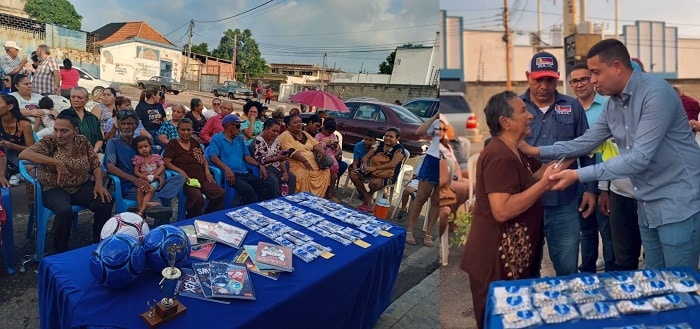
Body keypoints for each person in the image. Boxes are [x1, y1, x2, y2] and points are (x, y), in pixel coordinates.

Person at [520, 38, 700, 269]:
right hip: (647, 205)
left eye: (595, 72)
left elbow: (639, 158)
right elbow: (586, 141)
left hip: (677, 204)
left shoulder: (655, 94)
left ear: (616, 67)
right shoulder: (614, 104)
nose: (592, 80)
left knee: (679, 283)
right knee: (655, 281)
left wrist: (577, 175)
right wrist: (536, 150)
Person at [461, 91, 558, 329]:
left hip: (513, 258)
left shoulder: (517, 150)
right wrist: (544, 186)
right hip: (495, 261)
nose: (530, 116)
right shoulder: (499, 156)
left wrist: (574, 153)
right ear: (505, 122)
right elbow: (501, 210)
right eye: (523, 112)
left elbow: (539, 173)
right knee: (497, 321)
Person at [520, 51, 596, 276]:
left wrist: (591, 190)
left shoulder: (573, 107)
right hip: (526, 202)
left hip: (564, 203)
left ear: (558, 78)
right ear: (528, 76)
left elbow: (587, 148)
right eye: (538, 79)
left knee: (567, 269)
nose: (544, 85)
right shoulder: (516, 108)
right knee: (526, 269)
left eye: (550, 80)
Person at [18, 110, 113, 252]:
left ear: (75, 130)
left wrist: (99, 184)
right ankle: (60, 250)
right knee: (64, 210)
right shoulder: (50, 141)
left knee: (105, 201)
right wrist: (57, 162)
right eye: (56, 130)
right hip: (53, 187)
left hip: (79, 186)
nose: (58, 134)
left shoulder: (82, 141)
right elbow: (24, 154)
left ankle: (99, 242)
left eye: (64, 131)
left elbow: (95, 165)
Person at [568, 63, 615, 273]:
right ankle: (587, 274)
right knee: (586, 231)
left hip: (607, 178)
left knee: (608, 230)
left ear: (592, 80)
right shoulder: (568, 109)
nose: (580, 84)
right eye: (575, 81)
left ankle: (613, 273)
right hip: (578, 177)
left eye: (584, 79)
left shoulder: (608, 105)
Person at [105, 109, 185, 224]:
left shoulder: (141, 143)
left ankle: (153, 202)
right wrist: (135, 179)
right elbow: (110, 167)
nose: (126, 127)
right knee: (164, 201)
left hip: (152, 180)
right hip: (132, 186)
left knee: (179, 178)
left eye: (130, 124)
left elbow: (157, 160)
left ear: (136, 125)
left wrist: (161, 176)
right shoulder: (114, 143)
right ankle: (158, 216)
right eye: (123, 124)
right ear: (119, 125)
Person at [205, 114, 275, 205]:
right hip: (230, 175)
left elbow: (247, 157)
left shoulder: (239, 139)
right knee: (248, 190)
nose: (240, 128)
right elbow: (213, 157)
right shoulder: (217, 138)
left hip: (244, 173)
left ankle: (264, 209)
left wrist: (259, 165)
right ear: (229, 126)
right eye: (238, 126)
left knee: (268, 185)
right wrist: (227, 169)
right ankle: (250, 213)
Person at [164, 118, 225, 218]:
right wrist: (181, 171)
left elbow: (203, 158)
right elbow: (166, 162)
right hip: (187, 180)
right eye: (182, 130)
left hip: (202, 178)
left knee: (220, 193)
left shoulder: (194, 142)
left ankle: (208, 216)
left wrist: (206, 170)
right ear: (177, 130)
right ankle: (192, 219)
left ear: (192, 130)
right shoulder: (173, 144)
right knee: (197, 198)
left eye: (188, 130)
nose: (186, 132)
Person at [349, 128, 405, 214]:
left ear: (397, 139)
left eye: (391, 136)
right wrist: (364, 165)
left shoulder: (399, 149)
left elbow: (392, 164)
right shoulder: (378, 144)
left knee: (374, 183)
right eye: (386, 136)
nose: (387, 138)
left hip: (387, 174)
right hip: (372, 171)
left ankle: (368, 197)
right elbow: (366, 157)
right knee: (353, 174)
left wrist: (374, 168)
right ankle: (367, 195)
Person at [405, 113, 440, 246]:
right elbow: (419, 132)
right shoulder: (436, 122)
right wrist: (436, 116)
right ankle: (410, 230)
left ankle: (428, 234)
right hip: (432, 160)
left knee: (437, 200)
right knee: (421, 197)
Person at [277, 114, 331, 197]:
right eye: (295, 122)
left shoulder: (305, 133)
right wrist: (304, 161)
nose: (299, 124)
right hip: (297, 164)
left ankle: (318, 198)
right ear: (288, 125)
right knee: (302, 174)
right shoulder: (285, 135)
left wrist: (322, 151)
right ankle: (302, 198)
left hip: (314, 164)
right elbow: (291, 151)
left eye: (300, 122)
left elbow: (316, 144)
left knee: (326, 171)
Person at [250, 118, 296, 197]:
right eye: (273, 131)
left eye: (277, 132)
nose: (275, 134)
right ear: (266, 128)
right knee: (273, 180)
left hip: (276, 168)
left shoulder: (276, 141)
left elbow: (281, 159)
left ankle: (288, 202)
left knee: (291, 177)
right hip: (263, 169)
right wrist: (277, 158)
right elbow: (261, 160)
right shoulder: (258, 141)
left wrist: (285, 172)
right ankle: (273, 204)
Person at [0, 94, 36, 186]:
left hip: (21, 156)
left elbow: (32, 149)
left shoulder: (23, 125)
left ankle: (18, 174)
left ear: (10, 106)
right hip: (3, 157)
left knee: (29, 166)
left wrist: (12, 146)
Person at [131, 136, 165, 218]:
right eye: (140, 147)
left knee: (151, 189)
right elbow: (136, 171)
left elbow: (162, 166)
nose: (144, 149)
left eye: (146, 146)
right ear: (137, 149)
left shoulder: (156, 157)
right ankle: (141, 214)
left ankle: (141, 211)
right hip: (144, 180)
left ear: (150, 147)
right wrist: (143, 177)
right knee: (139, 190)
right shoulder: (138, 159)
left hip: (154, 180)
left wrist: (156, 175)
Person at [66, 87, 103, 154]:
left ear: (87, 100)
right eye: (73, 97)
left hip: (93, 153)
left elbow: (99, 139)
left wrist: (94, 152)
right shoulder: (64, 115)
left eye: (79, 97)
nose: (75, 100)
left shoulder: (93, 118)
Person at [315, 119, 342, 201]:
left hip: (332, 159)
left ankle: (330, 192)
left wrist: (335, 146)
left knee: (334, 176)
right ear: (323, 128)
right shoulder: (318, 136)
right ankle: (323, 191)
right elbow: (316, 146)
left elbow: (338, 149)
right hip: (323, 159)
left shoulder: (333, 136)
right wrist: (326, 144)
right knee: (325, 175)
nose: (329, 133)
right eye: (328, 131)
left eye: (331, 132)